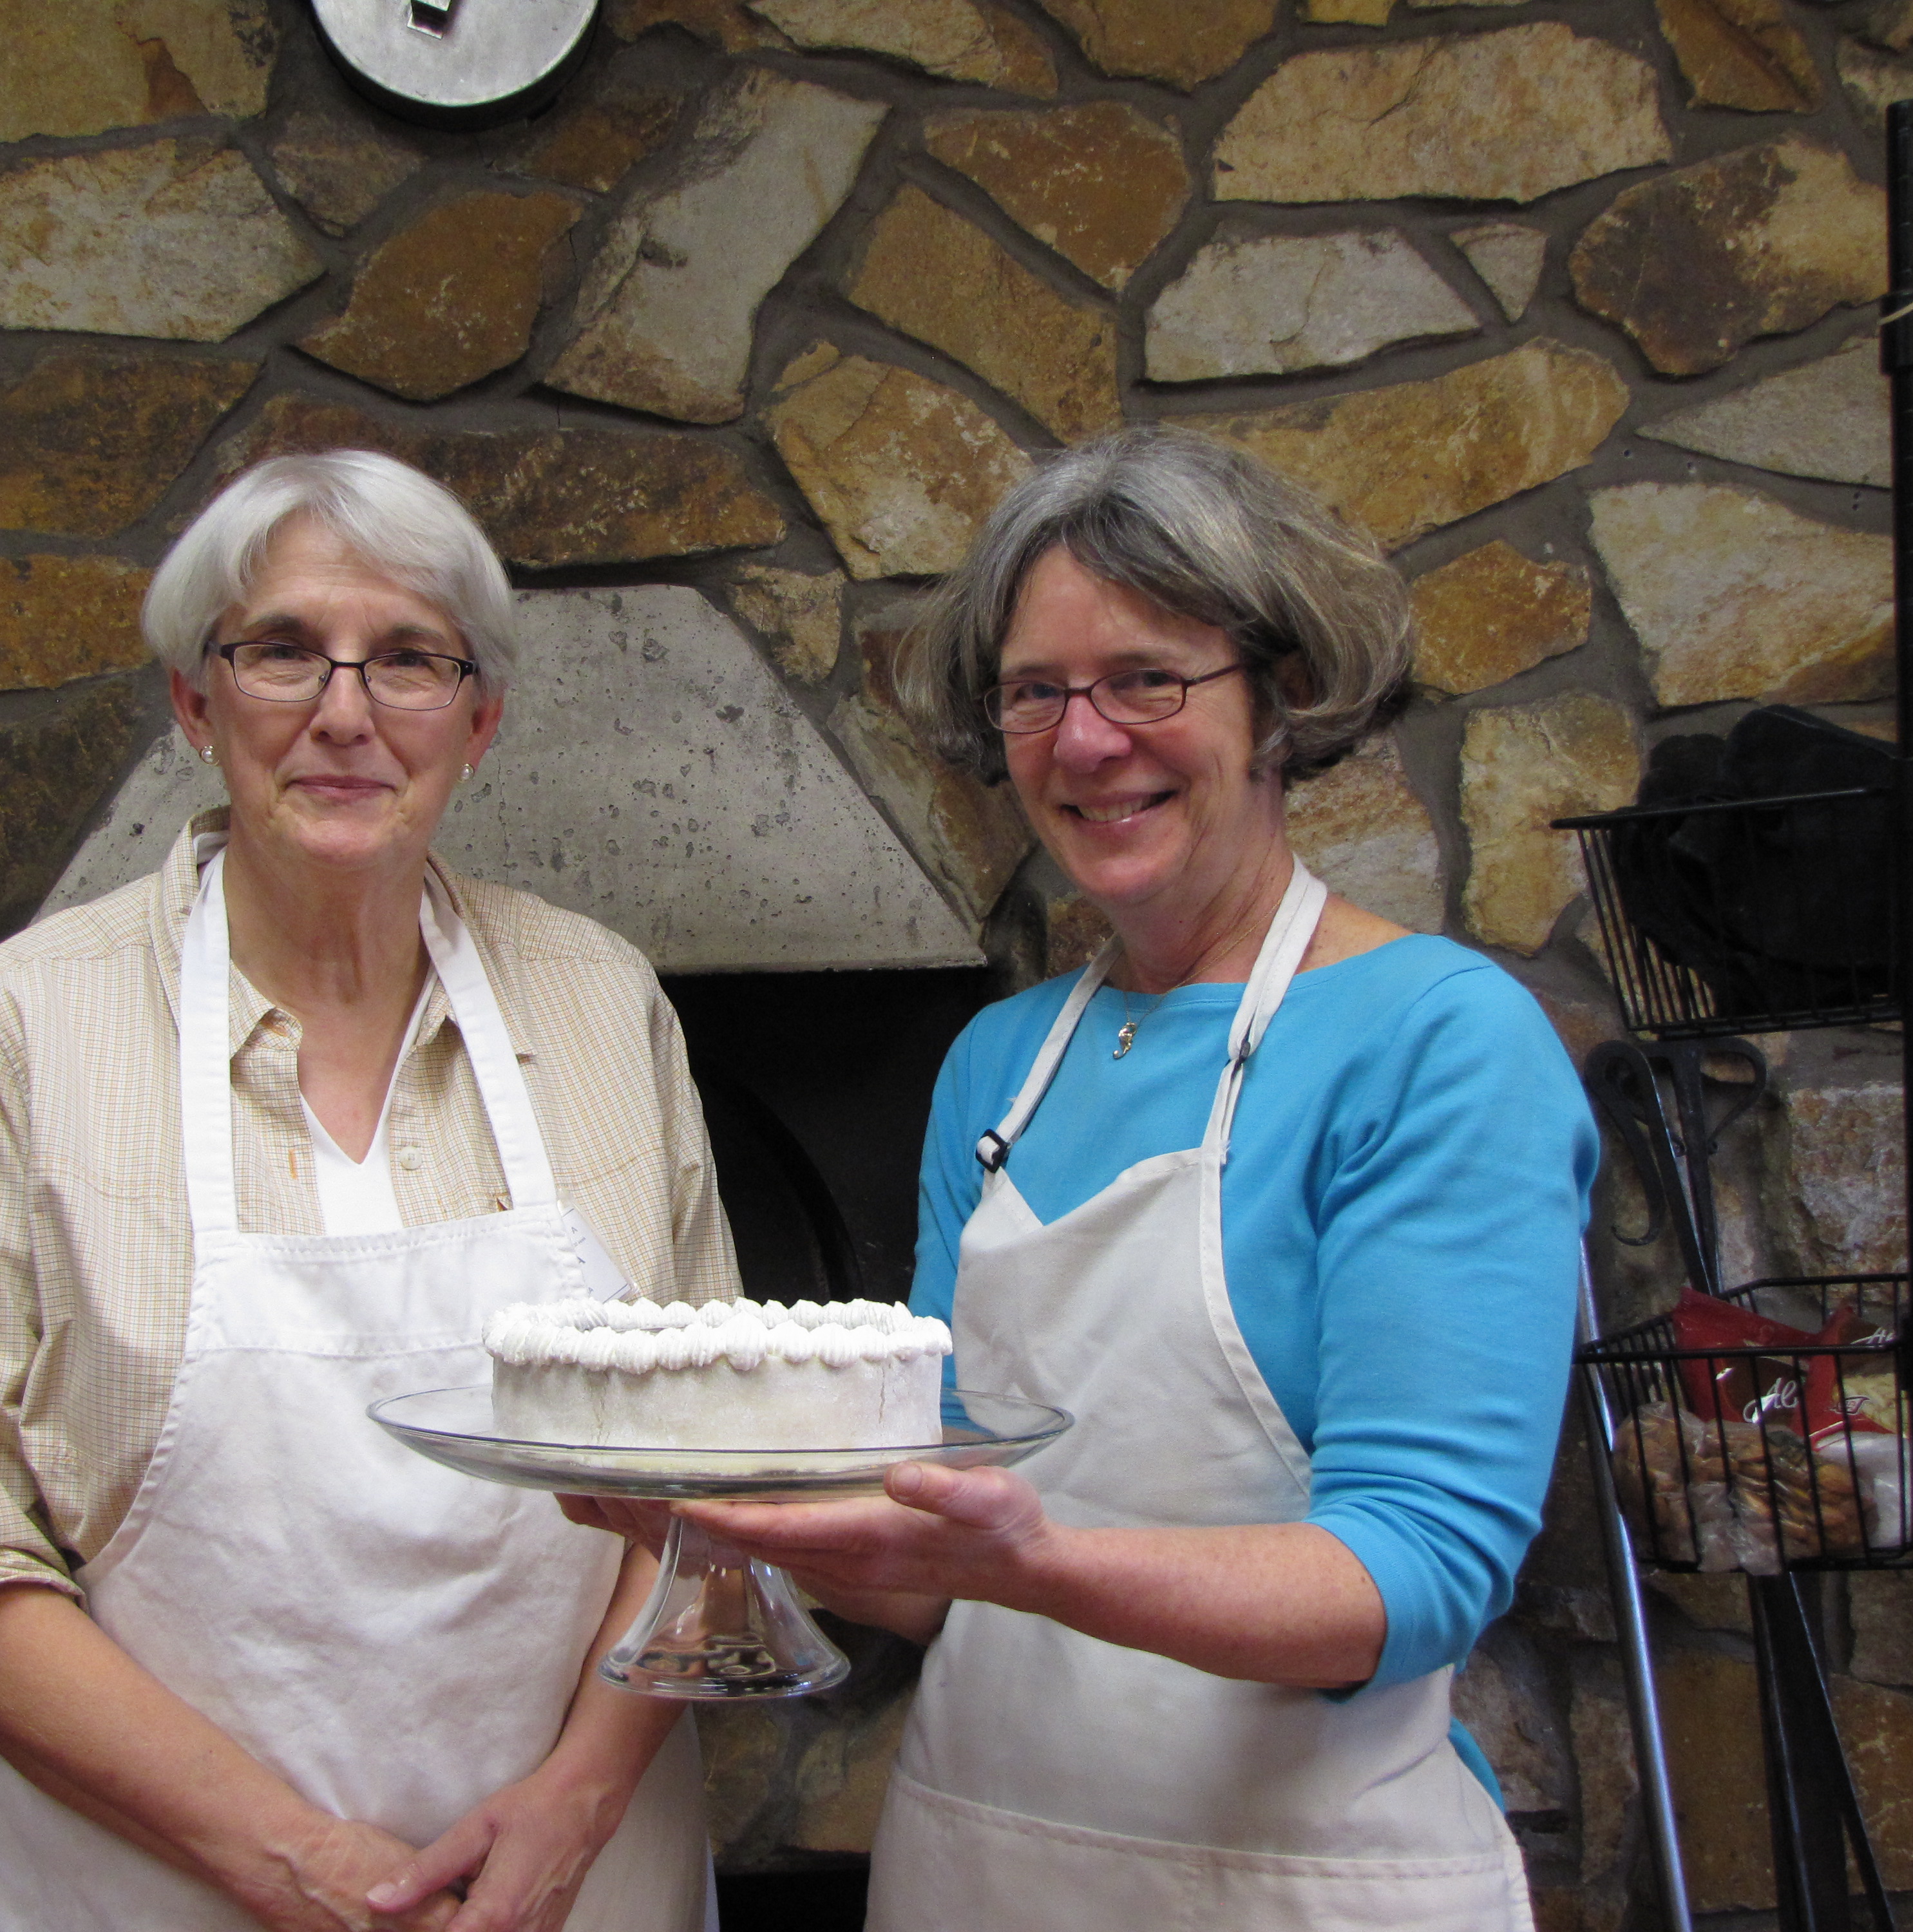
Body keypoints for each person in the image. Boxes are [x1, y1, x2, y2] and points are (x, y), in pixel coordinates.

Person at [666, 426, 1598, 1929]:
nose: (1085, 742)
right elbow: (931, 1579)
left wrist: (1045, 1563)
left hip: (1299, 1884)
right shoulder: (998, 1064)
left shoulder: (1436, 1040)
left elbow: (1412, 1575)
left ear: (1279, 695)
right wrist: (718, 1500)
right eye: (1034, 691)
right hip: (978, 1866)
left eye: (1146, 679)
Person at [0, 450, 739, 1932]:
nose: (343, 712)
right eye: (281, 651)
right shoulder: (23, 1027)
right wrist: (306, 1869)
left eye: (408, 659)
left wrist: (581, 1799)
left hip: (573, 1885)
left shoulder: (598, 1002)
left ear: (479, 720)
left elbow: (716, 1484)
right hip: (139, 1892)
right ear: (195, 703)